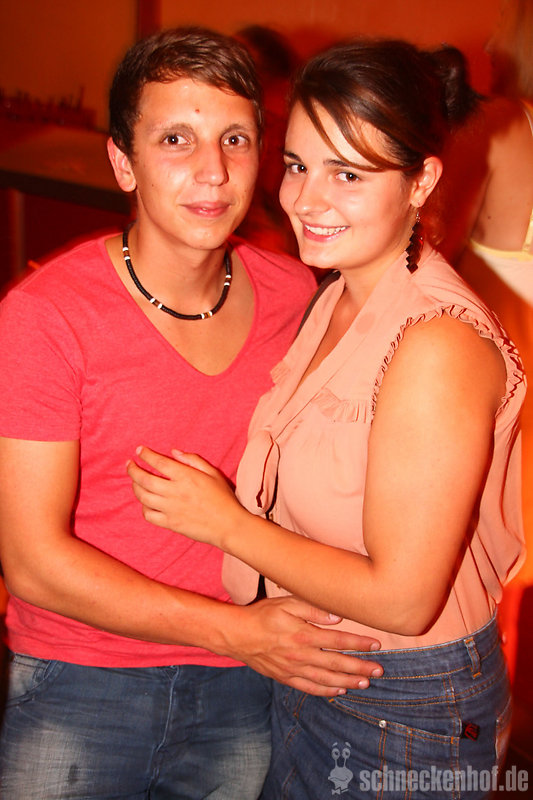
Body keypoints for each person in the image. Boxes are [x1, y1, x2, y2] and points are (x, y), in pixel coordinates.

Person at [128, 38, 527, 799]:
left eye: (348, 174)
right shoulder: (338, 295)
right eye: (297, 165)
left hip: (402, 703)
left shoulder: (435, 343)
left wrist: (222, 522)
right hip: (324, 673)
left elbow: (403, 598)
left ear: (420, 182)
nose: (306, 200)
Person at [0, 27, 383, 800]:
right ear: (123, 162)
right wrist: (237, 632)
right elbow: (32, 562)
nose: (212, 171)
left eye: (234, 140)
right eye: (175, 139)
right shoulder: (44, 318)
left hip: (245, 690)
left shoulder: (295, 295)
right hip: (82, 683)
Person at [439, 0, 533, 678]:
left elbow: (419, 250)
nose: (492, 43)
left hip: (489, 388)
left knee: (469, 590)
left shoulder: (501, 124)